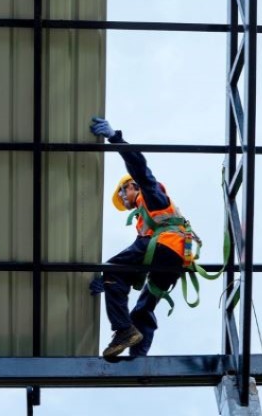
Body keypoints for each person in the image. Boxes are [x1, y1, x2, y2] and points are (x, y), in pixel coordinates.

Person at [89, 117, 188, 359]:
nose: (122, 198)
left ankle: (123, 330)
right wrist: (113, 282)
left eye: (123, 191)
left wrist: (115, 138)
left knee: (111, 268)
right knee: (144, 307)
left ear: (132, 186)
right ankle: (138, 359)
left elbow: (140, 169)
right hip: (173, 261)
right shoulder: (146, 222)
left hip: (166, 246)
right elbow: (141, 260)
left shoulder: (150, 196)